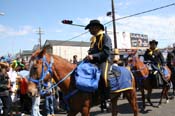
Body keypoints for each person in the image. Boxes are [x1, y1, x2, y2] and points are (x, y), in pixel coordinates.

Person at [85, 19, 112, 111]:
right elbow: (91, 51)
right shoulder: (93, 39)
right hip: (94, 62)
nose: (89, 30)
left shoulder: (105, 37)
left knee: (104, 77)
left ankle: (107, 98)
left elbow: (106, 52)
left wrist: (93, 56)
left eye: (90, 28)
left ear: (96, 28)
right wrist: (89, 55)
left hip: (104, 60)